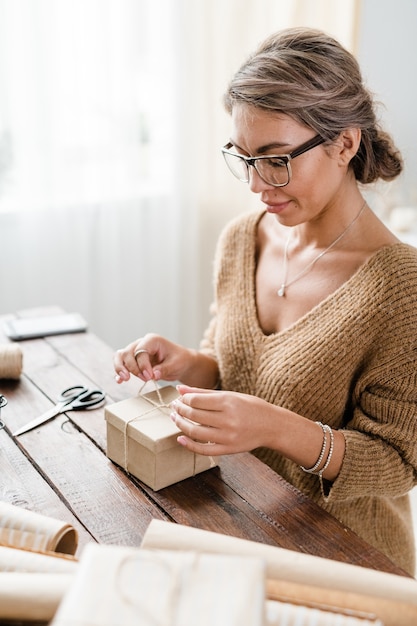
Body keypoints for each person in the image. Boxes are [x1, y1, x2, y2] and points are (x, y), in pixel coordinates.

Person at [114, 27, 417, 575]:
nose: (257, 184)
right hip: (243, 527)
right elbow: (234, 368)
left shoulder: (402, 287)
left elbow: (398, 461)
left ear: (345, 143)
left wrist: (276, 429)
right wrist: (191, 365)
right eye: (245, 157)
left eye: (276, 159)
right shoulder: (241, 239)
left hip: (350, 562)